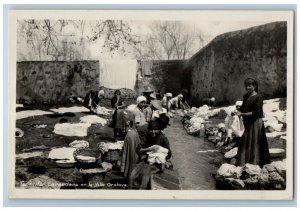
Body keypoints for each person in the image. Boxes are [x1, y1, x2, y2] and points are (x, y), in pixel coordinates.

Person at [235, 78, 270, 167]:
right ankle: (244, 163)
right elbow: (243, 107)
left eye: (249, 86)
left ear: (254, 86)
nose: (247, 88)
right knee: (246, 141)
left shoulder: (259, 97)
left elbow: (257, 113)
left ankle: (254, 164)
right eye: (246, 86)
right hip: (248, 122)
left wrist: (242, 113)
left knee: (254, 142)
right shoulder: (246, 96)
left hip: (255, 123)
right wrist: (238, 110)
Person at [129, 120, 172, 189]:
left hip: (157, 162)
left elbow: (169, 153)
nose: (153, 132)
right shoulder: (146, 137)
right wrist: (150, 149)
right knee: (133, 175)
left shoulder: (163, 138)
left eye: (155, 130)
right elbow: (138, 150)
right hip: (146, 160)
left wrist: (159, 153)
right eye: (151, 130)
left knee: (144, 176)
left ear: (159, 130)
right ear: (148, 130)